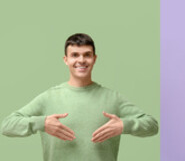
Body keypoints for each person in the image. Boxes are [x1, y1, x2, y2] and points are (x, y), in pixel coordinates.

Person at [1, 33, 159, 161]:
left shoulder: (112, 98)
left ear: (94, 59)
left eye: (87, 55)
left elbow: (152, 125)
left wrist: (125, 125)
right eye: (75, 55)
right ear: (66, 60)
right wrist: (41, 123)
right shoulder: (48, 97)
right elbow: (7, 126)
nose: (81, 60)